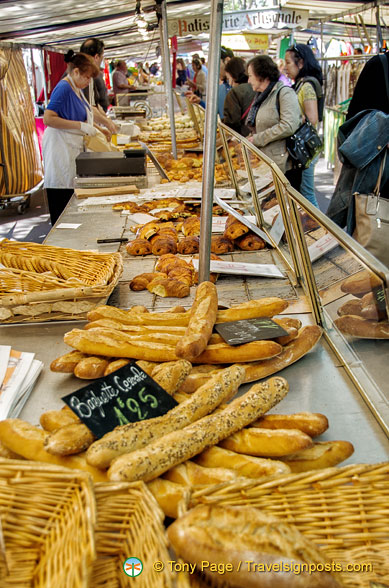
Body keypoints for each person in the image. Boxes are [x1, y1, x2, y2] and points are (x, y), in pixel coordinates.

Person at [327, 52, 389, 230]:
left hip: (375, 176)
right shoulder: (379, 65)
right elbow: (355, 122)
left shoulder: (379, 64)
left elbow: (353, 122)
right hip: (378, 176)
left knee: (370, 237)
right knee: (372, 235)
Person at [42, 51, 99, 225]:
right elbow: (48, 118)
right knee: (61, 201)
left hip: (70, 148)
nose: (88, 81)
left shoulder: (77, 88)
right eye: (86, 77)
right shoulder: (64, 87)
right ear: (75, 72)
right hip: (60, 148)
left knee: (69, 195)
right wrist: (80, 126)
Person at [246, 55, 301, 174]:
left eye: (250, 76)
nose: (248, 80)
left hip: (282, 166)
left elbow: (288, 125)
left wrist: (257, 139)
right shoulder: (260, 97)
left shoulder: (284, 93)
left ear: (261, 75)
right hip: (264, 164)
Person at [285, 44, 324, 207]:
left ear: (300, 63)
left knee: (307, 194)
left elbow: (312, 118)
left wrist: (290, 117)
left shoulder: (307, 86)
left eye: (288, 62)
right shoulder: (301, 84)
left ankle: (318, 229)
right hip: (304, 150)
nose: (285, 67)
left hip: (306, 151)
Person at [79, 38, 117, 136]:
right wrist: (107, 123)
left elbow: (94, 105)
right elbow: (89, 108)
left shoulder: (87, 73)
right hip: (67, 137)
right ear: (96, 57)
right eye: (102, 57)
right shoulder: (83, 74)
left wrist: (106, 121)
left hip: (78, 131)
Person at [223, 57, 255, 137]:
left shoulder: (234, 93)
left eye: (228, 78)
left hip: (242, 138)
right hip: (255, 137)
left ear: (234, 76)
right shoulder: (256, 88)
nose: (229, 83)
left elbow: (231, 122)